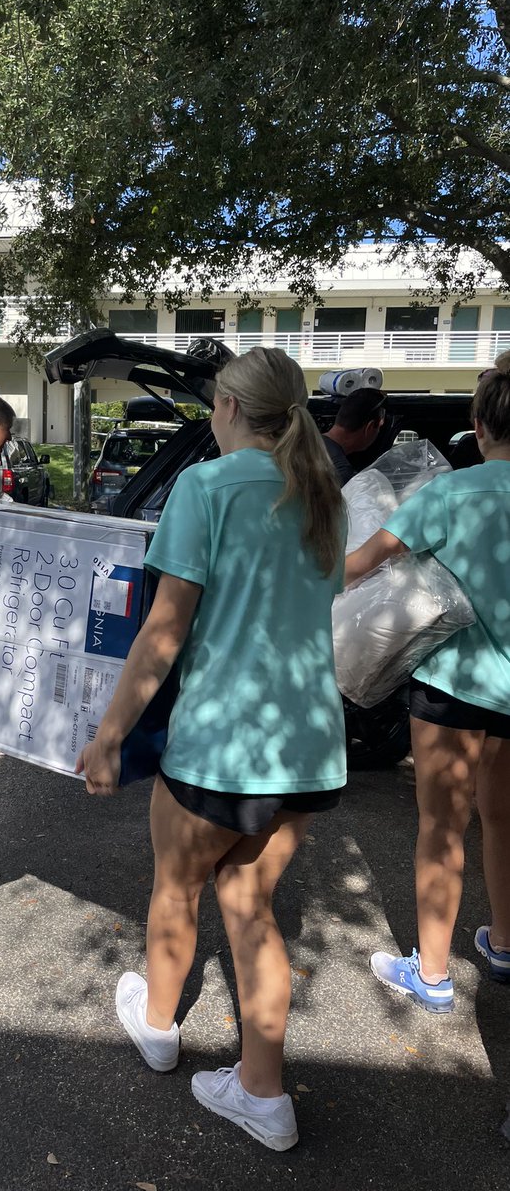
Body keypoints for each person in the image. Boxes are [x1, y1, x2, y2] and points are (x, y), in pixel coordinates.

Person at [79, 347, 346, 1151]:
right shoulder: (324, 496)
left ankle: (158, 1027)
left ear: (227, 408)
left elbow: (166, 630)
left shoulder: (204, 488)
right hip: (306, 747)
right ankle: (264, 1095)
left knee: (175, 888)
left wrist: (109, 735)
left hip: (219, 745)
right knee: (252, 908)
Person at [345, 352, 510, 1010]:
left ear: (477, 423)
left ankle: (434, 974)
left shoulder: (450, 493)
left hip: (452, 688)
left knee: (442, 828)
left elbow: (358, 565)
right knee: (504, 818)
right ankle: (502, 942)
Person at [321, 387, 387, 486]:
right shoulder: (341, 472)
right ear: (369, 427)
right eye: (379, 428)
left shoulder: (305, 443)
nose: (378, 433)